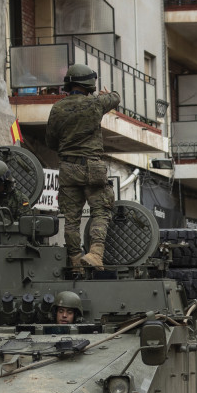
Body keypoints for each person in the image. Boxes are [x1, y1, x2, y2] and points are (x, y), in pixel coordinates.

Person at [45, 64, 121, 271]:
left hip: (68, 169)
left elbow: (50, 142)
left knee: (71, 220)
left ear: (68, 84)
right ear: (90, 84)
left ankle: (76, 261)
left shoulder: (57, 108)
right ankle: (95, 253)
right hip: (92, 168)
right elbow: (115, 97)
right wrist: (107, 94)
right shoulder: (95, 104)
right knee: (101, 211)